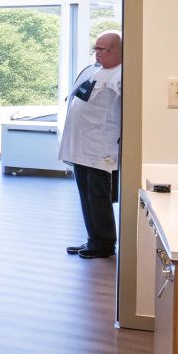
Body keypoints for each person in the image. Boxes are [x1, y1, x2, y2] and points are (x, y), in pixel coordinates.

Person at [59, 31, 123, 259]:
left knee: (98, 196)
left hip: (100, 148)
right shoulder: (94, 71)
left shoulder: (121, 75)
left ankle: (105, 243)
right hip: (80, 146)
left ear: (117, 50)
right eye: (95, 49)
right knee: (85, 195)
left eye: (102, 49)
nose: (97, 54)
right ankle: (92, 239)